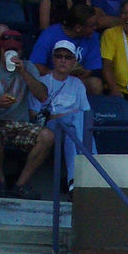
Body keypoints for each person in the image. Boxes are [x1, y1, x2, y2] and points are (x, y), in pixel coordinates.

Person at [0, 29, 52, 199]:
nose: (11, 54)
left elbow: (43, 96)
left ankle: (20, 185)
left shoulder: (28, 67)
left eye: (16, 50)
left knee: (47, 136)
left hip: (20, 123)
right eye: (8, 50)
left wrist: (23, 72)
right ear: (0, 50)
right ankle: (0, 183)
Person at [29, 39, 93, 194]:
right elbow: (34, 115)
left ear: (74, 61)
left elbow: (87, 112)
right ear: (53, 59)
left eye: (68, 57)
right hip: (50, 128)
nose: (63, 60)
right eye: (59, 56)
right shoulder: (41, 82)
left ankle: (72, 182)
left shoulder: (77, 84)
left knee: (73, 131)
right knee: (75, 120)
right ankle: (93, 165)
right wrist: (63, 116)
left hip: (71, 130)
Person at [30, 3, 103, 96]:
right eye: (91, 26)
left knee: (95, 84)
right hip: (50, 80)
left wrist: (74, 76)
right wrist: (59, 75)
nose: (95, 28)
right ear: (78, 28)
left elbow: (90, 69)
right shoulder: (50, 34)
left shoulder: (92, 37)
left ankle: (86, 109)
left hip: (75, 81)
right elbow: (36, 66)